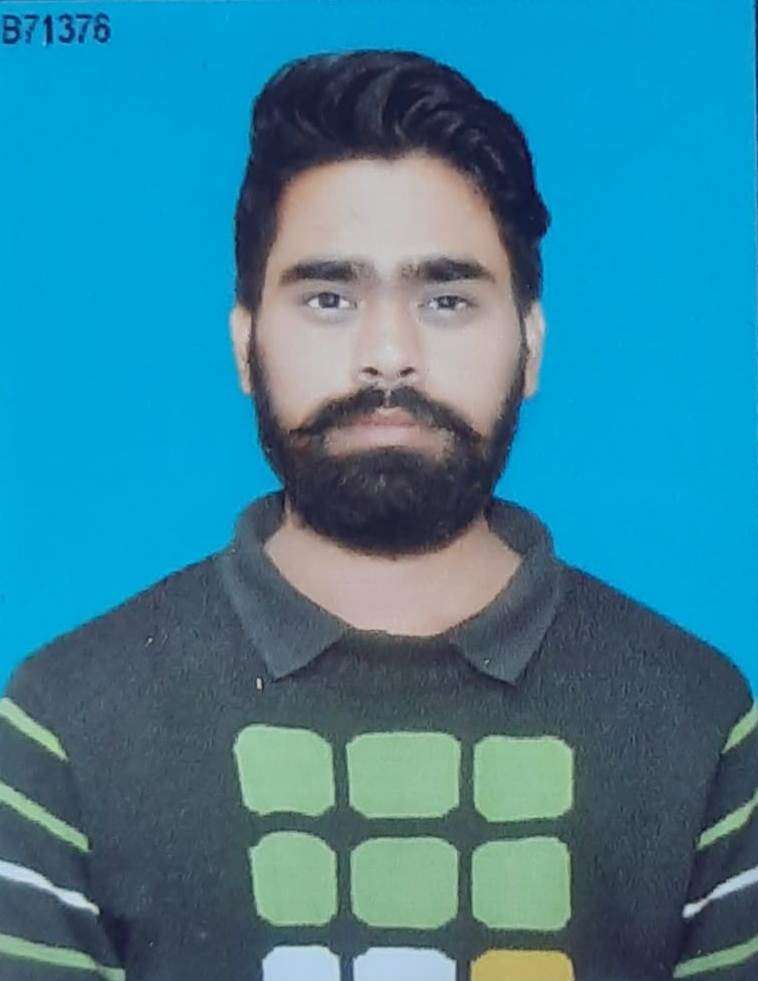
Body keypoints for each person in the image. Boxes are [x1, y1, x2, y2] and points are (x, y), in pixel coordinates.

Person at [0, 49, 755, 981]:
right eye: (329, 297)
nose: (389, 353)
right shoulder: (65, 723)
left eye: (446, 297)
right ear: (244, 344)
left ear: (530, 345)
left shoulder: (698, 718)